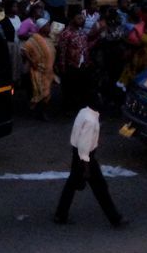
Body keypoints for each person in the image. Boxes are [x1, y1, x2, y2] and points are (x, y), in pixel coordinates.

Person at [52, 90, 125, 228]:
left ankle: (60, 214)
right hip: (85, 158)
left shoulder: (83, 113)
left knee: (72, 185)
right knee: (100, 187)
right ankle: (115, 219)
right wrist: (86, 167)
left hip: (78, 155)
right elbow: (85, 146)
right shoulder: (91, 121)